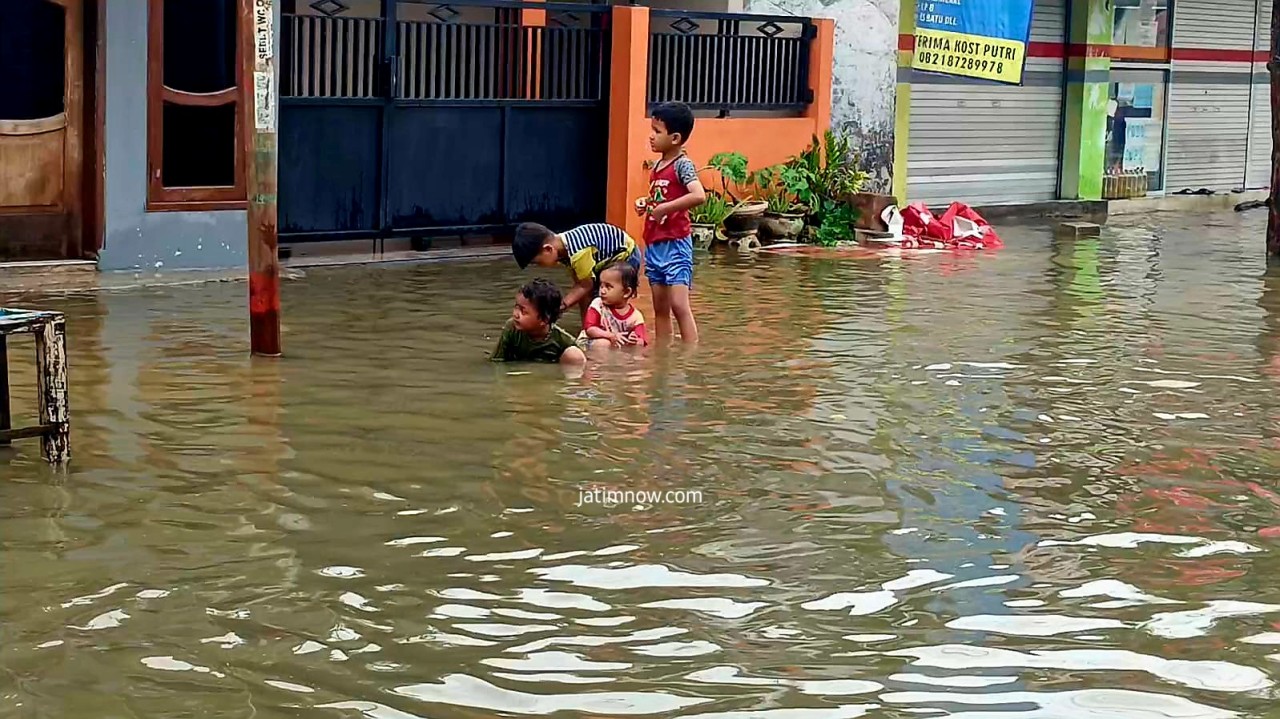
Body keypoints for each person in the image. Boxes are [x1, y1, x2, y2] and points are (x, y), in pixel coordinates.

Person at [635, 101, 705, 344]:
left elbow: (698, 195)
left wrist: (665, 208)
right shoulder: (657, 166)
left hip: (675, 244)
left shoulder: (682, 165)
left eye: (657, 131)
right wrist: (646, 203)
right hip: (654, 244)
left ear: (675, 138)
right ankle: (664, 357)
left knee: (679, 305)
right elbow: (660, 197)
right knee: (660, 308)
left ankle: (689, 357)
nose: (651, 137)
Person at [511, 222, 642, 321]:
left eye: (537, 262)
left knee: (610, 298)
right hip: (602, 261)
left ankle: (619, 327)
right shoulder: (562, 248)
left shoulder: (578, 252)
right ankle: (591, 326)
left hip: (626, 256)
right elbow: (581, 288)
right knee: (589, 296)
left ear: (548, 250)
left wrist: (561, 306)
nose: (539, 267)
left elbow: (586, 285)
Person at [490, 279, 586, 366]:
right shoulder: (512, 327)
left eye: (523, 311)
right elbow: (496, 361)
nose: (515, 314)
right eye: (516, 307)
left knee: (573, 354)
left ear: (544, 320)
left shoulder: (563, 341)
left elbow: (583, 361)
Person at [578, 261, 649, 352]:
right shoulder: (598, 304)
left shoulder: (636, 317)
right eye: (601, 285)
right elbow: (590, 329)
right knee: (604, 343)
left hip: (615, 347)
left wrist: (634, 340)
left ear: (627, 292)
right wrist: (611, 336)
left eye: (608, 287)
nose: (602, 291)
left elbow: (642, 342)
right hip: (588, 343)